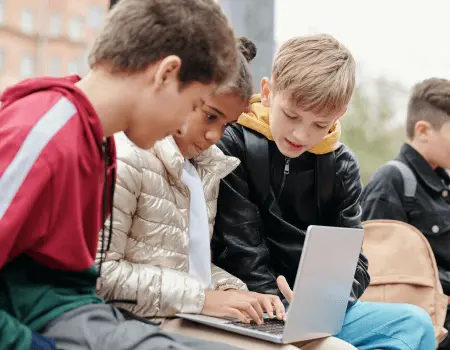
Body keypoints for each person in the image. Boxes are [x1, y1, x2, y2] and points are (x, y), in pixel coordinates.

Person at [0, 0, 243, 349]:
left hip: (72, 314)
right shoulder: (45, 132)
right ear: (165, 73)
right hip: (37, 328)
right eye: (193, 105)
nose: (181, 125)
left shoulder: (97, 142)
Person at [96, 37, 353, 350]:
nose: (215, 136)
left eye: (227, 124)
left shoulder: (205, 167)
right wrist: (203, 298)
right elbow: (100, 274)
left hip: (198, 314)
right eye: (209, 116)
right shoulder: (126, 157)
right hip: (150, 320)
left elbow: (195, 266)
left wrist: (241, 294)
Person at [211, 34, 437, 350]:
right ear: (267, 91)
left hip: (314, 311)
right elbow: (240, 248)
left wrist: (325, 303)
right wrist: (280, 306)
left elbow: (355, 262)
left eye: (320, 124)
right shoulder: (232, 144)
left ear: (340, 114)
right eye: (291, 115)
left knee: (415, 324)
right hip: (252, 303)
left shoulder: (341, 164)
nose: (302, 134)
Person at [361, 78, 450, 349]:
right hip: (425, 327)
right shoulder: (393, 180)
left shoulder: (443, 183)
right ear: (423, 130)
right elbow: (379, 272)